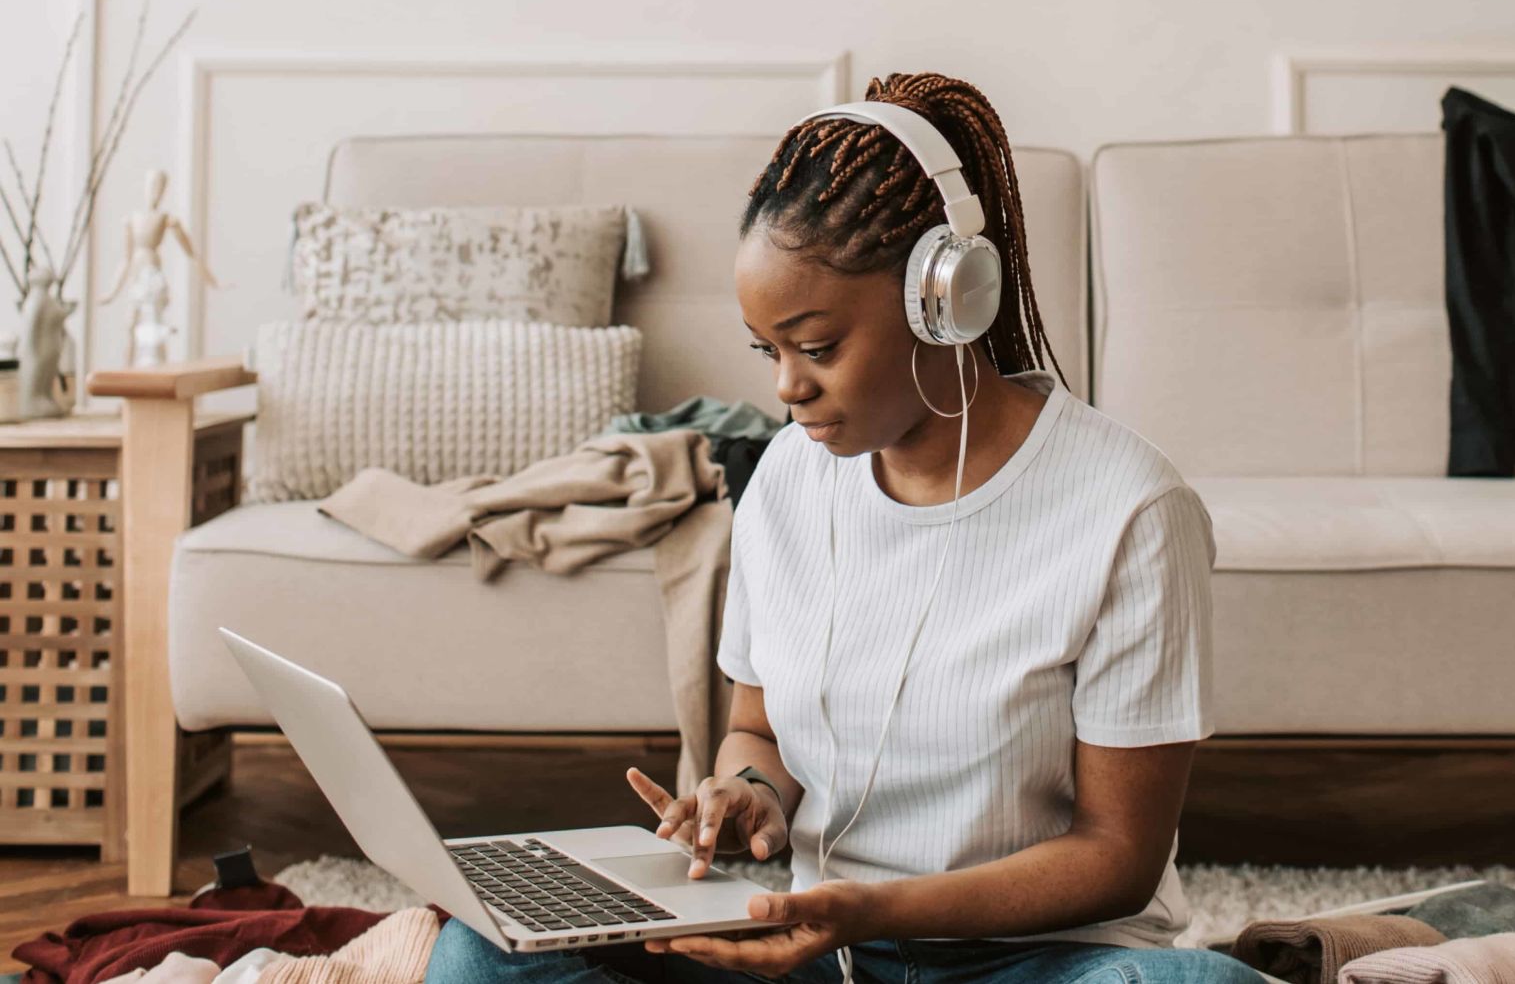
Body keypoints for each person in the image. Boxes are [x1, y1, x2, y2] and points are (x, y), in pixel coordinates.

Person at [426, 71, 1254, 984]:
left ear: (945, 301)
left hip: (1038, 963)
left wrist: (869, 907)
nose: (786, 387)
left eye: (815, 347)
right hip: (826, 955)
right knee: (482, 951)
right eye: (768, 350)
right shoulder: (788, 474)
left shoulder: (1130, 510)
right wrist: (745, 796)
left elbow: (1117, 855)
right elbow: (758, 729)